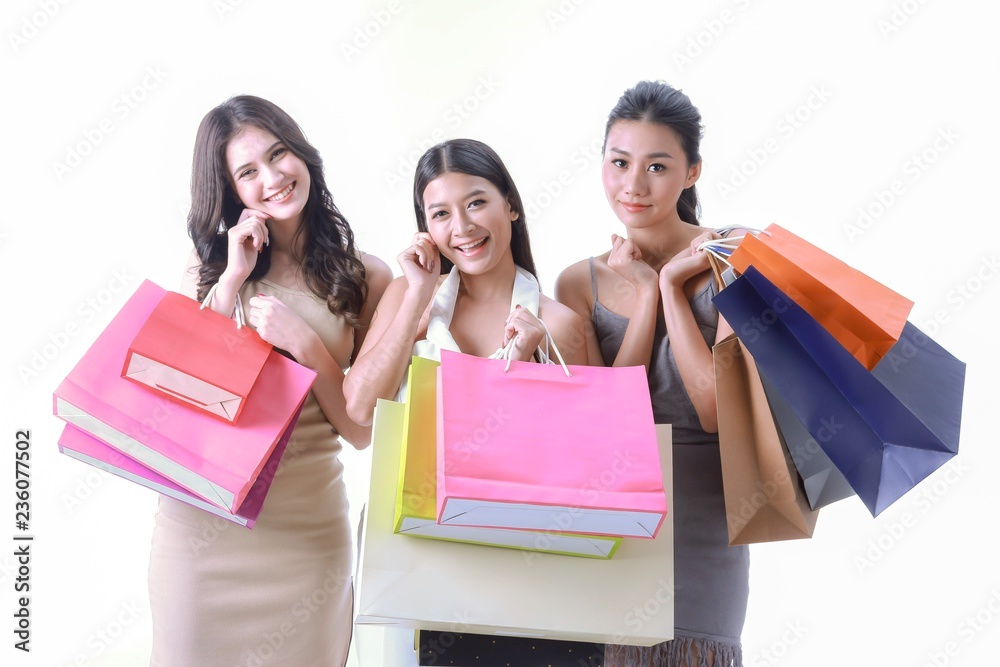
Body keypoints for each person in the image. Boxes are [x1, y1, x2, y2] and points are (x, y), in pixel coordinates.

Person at [147, 94, 391, 666]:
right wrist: (232, 277)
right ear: (233, 193)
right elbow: (182, 387)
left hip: (306, 530)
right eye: (248, 172)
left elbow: (361, 431)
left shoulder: (367, 277)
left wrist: (306, 345)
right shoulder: (208, 264)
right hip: (202, 529)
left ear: (303, 154)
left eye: (280, 154)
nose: (274, 177)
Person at [343, 137, 597, 665]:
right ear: (426, 229)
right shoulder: (407, 297)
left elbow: (589, 465)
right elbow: (361, 409)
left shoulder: (558, 324)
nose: (462, 227)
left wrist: (532, 365)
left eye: (477, 202)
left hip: (526, 566)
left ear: (512, 205)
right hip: (414, 549)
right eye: (441, 213)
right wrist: (416, 296)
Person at [555, 81, 751, 666]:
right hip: (609, 513)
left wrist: (668, 286)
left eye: (657, 166)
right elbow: (607, 418)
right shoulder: (577, 282)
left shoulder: (731, 260)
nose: (632, 186)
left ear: (691, 173)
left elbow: (717, 408)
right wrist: (644, 296)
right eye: (619, 163)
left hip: (705, 513)